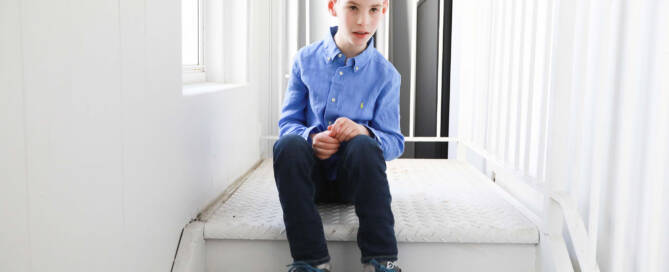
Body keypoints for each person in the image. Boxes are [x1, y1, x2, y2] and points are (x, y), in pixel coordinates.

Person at [273, 0, 404, 271]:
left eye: (373, 10)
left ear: (384, 9)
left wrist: (363, 131)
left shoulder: (387, 75)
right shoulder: (304, 60)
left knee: (364, 146)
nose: (363, 21)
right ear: (333, 6)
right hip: (309, 181)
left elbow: (394, 142)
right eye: (353, 8)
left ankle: (380, 260)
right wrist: (311, 138)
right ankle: (311, 261)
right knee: (287, 146)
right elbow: (288, 123)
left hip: (353, 184)